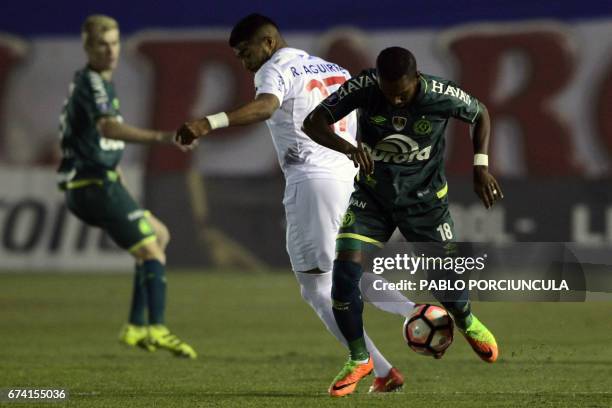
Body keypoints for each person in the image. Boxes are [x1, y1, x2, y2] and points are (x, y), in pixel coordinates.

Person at [176, 14, 415, 391]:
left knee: (316, 287)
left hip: (313, 180)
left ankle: (394, 335)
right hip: (348, 178)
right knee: (337, 275)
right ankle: (390, 363)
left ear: (268, 43)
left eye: (245, 52)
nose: (244, 61)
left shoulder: (274, 68)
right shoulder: (334, 68)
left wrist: (209, 122)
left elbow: (266, 107)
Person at [303, 46, 503, 396]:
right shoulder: (364, 87)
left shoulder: (439, 94)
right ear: (377, 80)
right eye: (388, 92)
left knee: (448, 287)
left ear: (417, 80)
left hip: (425, 203)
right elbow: (313, 121)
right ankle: (359, 358)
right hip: (372, 199)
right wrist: (348, 147)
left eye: (403, 93)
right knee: (344, 276)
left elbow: (481, 113)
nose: (395, 101)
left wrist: (480, 166)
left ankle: (466, 319)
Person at [57, 14, 196, 359]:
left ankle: (135, 326)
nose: (110, 50)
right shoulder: (92, 82)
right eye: (102, 44)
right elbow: (108, 129)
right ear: (88, 47)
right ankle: (157, 328)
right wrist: (163, 137)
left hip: (100, 181)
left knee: (159, 236)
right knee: (151, 251)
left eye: (115, 42)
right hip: (92, 185)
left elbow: (91, 137)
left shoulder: (100, 84)